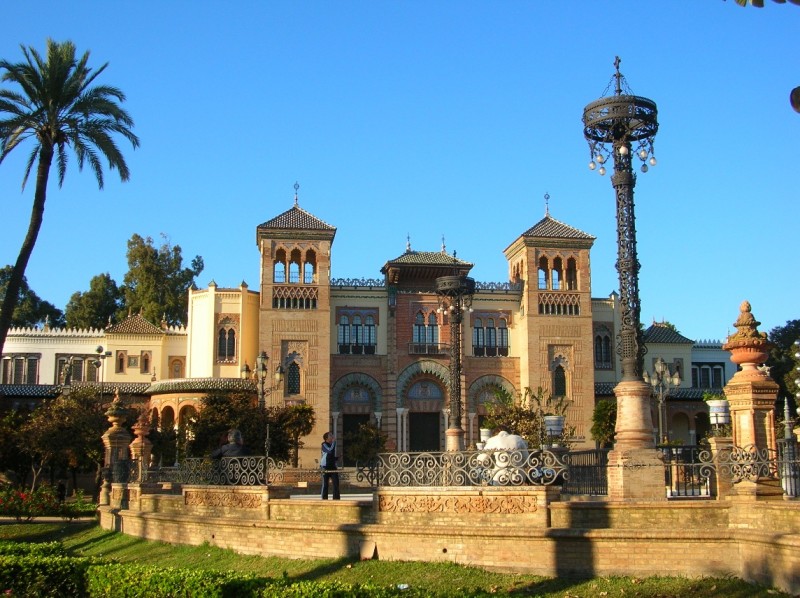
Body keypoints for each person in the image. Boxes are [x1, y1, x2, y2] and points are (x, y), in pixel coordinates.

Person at [320, 432, 340, 500]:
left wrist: (337, 458)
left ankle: (336, 499)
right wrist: (334, 443)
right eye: (330, 435)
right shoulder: (324, 444)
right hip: (325, 466)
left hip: (332, 466)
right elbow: (329, 451)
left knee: (336, 483)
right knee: (325, 484)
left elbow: (331, 456)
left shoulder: (331, 444)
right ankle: (324, 499)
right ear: (326, 438)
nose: (332, 436)